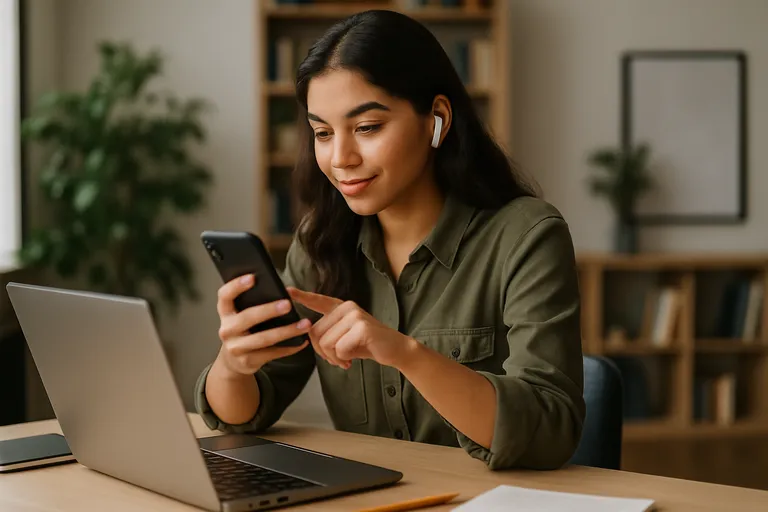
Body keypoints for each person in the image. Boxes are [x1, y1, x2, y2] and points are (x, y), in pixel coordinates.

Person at [195, 9, 585, 471]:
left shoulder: (527, 236)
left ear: (436, 118)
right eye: (322, 132)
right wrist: (234, 365)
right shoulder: (321, 241)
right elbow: (241, 418)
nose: (340, 158)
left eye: (366, 128)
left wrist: (404, 353)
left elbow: (550, 429)